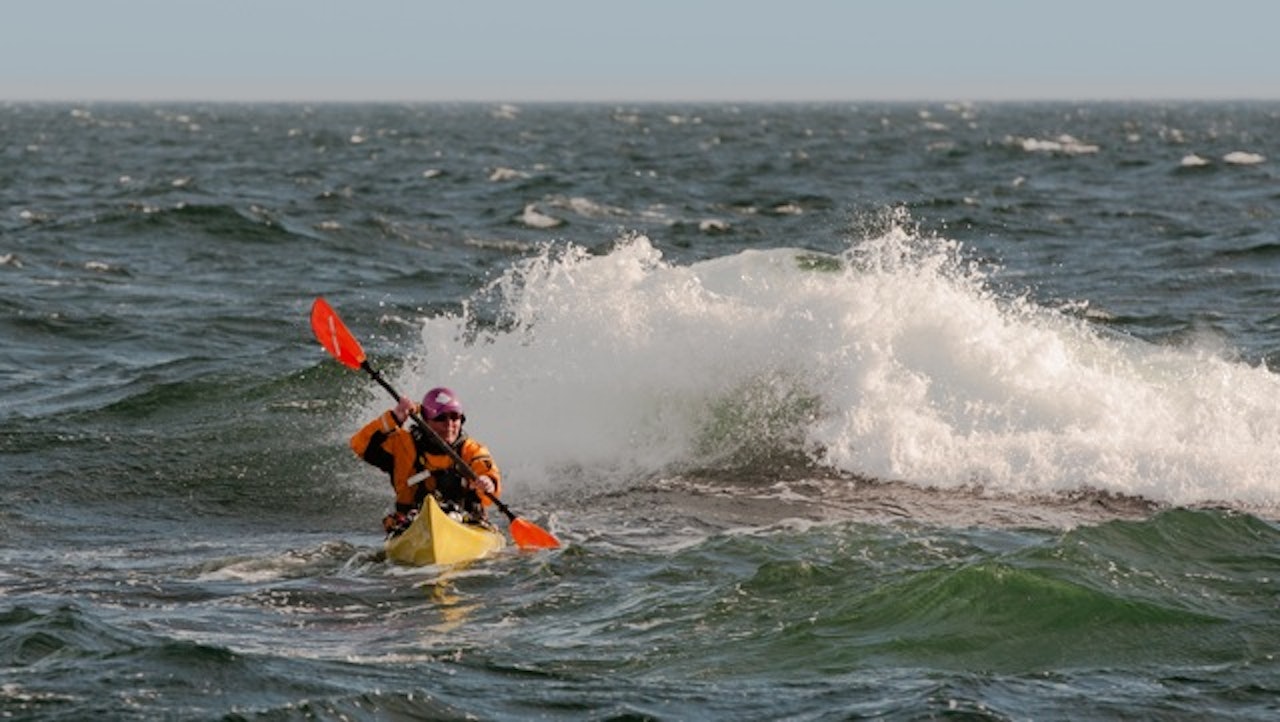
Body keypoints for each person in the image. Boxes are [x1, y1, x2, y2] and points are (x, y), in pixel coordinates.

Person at [350, 386, 501, 535]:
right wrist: (395, 417)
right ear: (426, 421)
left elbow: (487, 472)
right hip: (411, 524)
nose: (449, 424)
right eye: (440, 418)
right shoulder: (403, 445)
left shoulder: (472, 450)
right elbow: (359, 445)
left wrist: (487, 482)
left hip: (467, 523)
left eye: (454, 417)